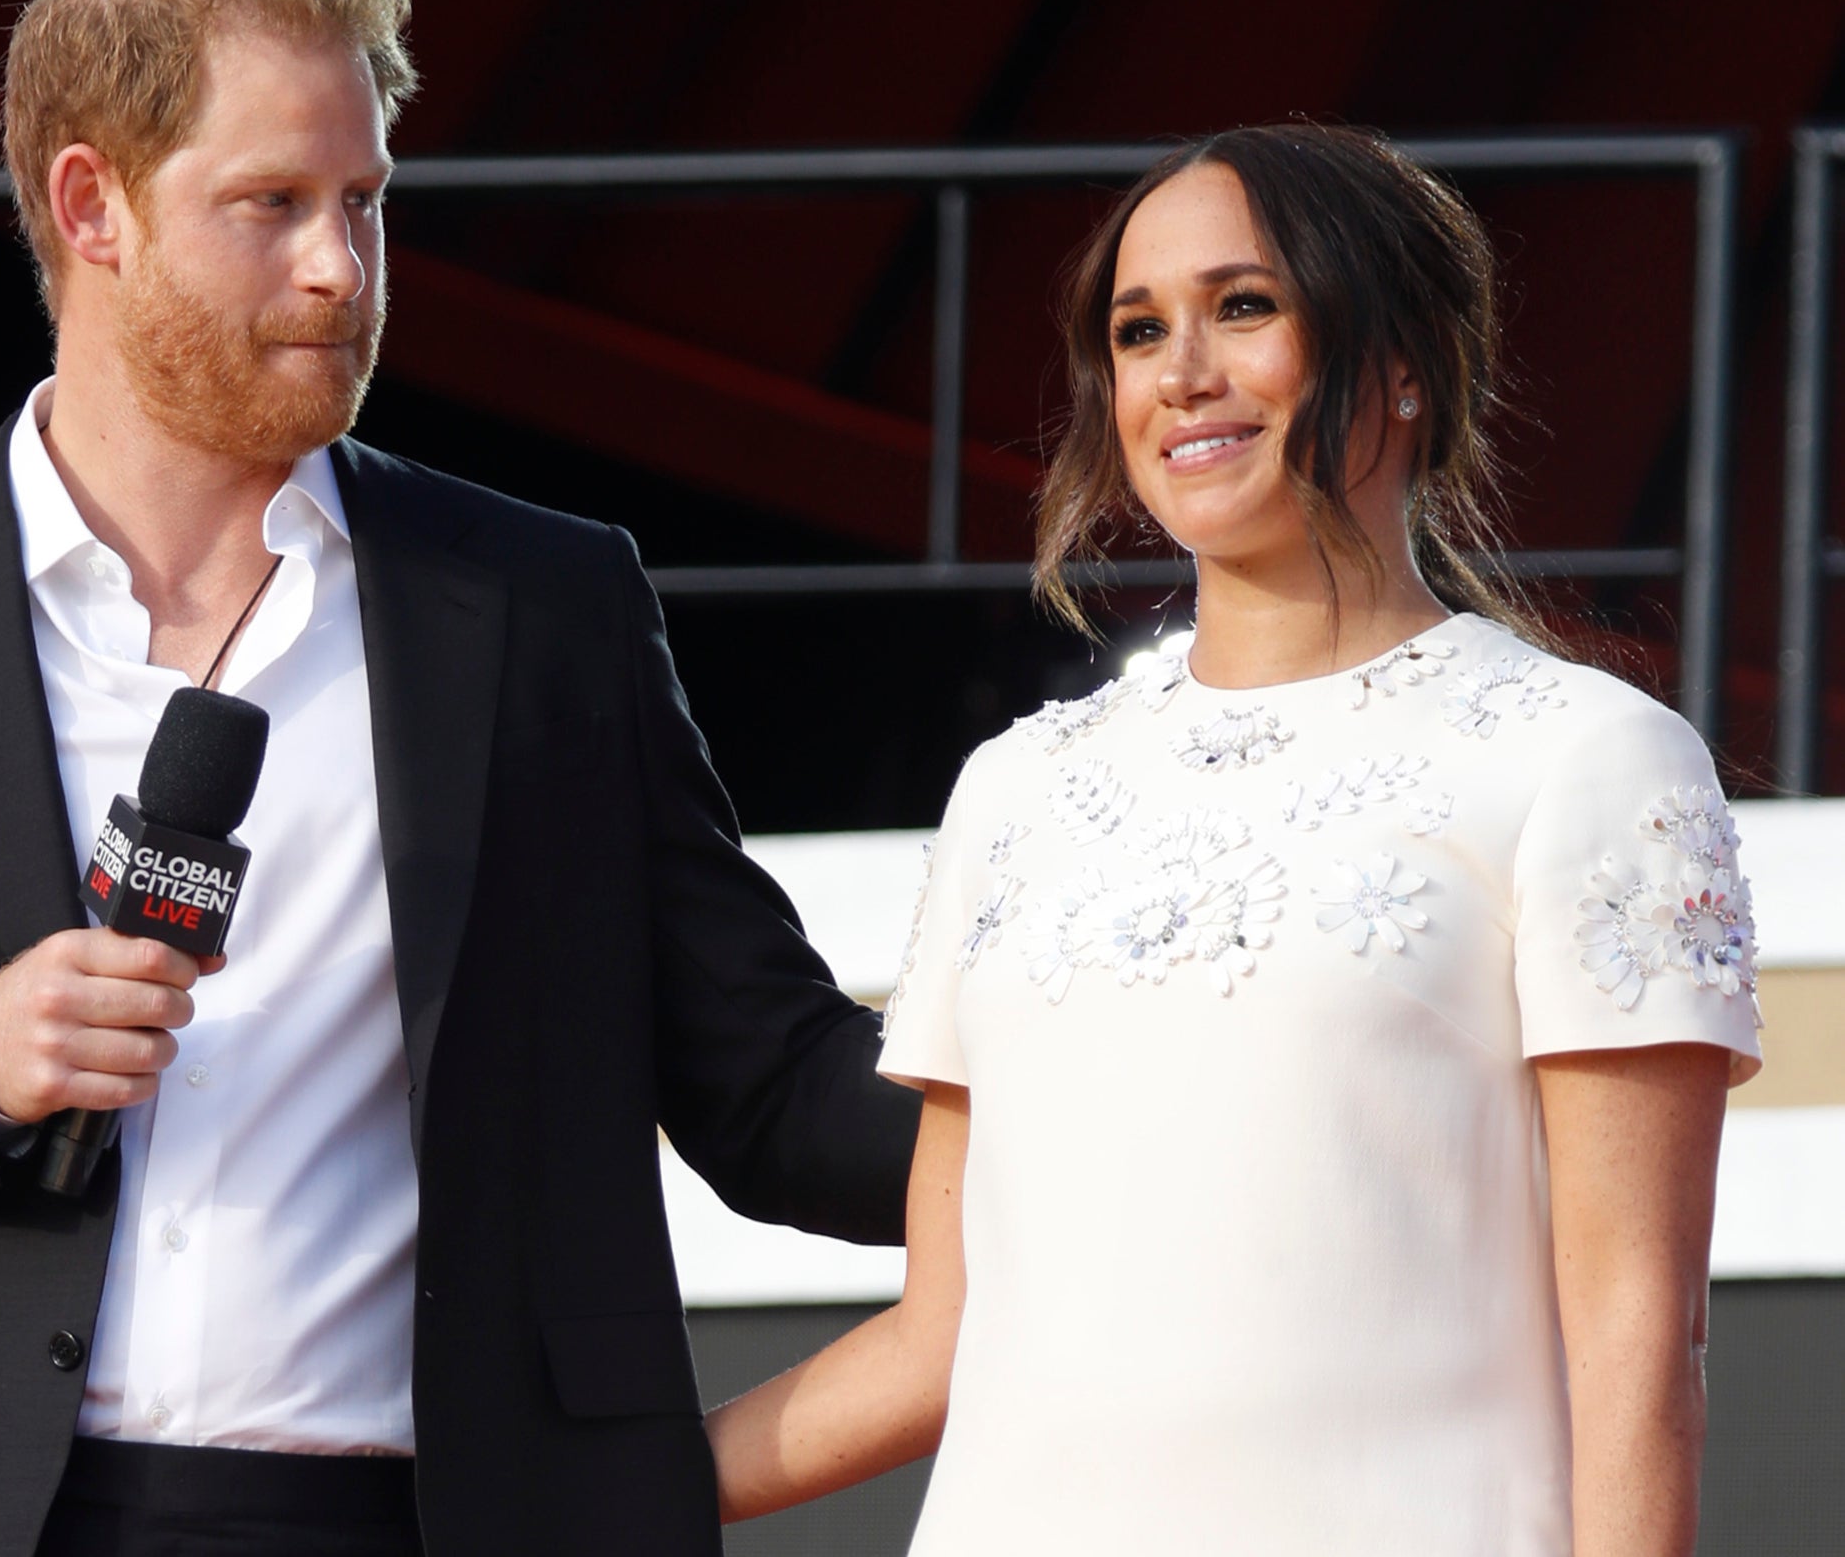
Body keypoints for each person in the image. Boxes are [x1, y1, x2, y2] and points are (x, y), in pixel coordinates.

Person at [0, 0, 918, 1557]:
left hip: (427, 1520)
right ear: (90, 204)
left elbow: (770, 1086)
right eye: (271, 203)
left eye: (365, 203)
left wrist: (1114, 1097)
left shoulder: (546, 607)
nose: (342, 265)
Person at [705, 122, 1762, 1556]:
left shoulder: (1580, 756)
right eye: (1140, 331)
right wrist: (574, 1486)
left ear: (1406, 361)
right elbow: (943, 1335)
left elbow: (1641, 1340)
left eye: (1245, 306)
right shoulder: (1017, 790)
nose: (1182, 372)